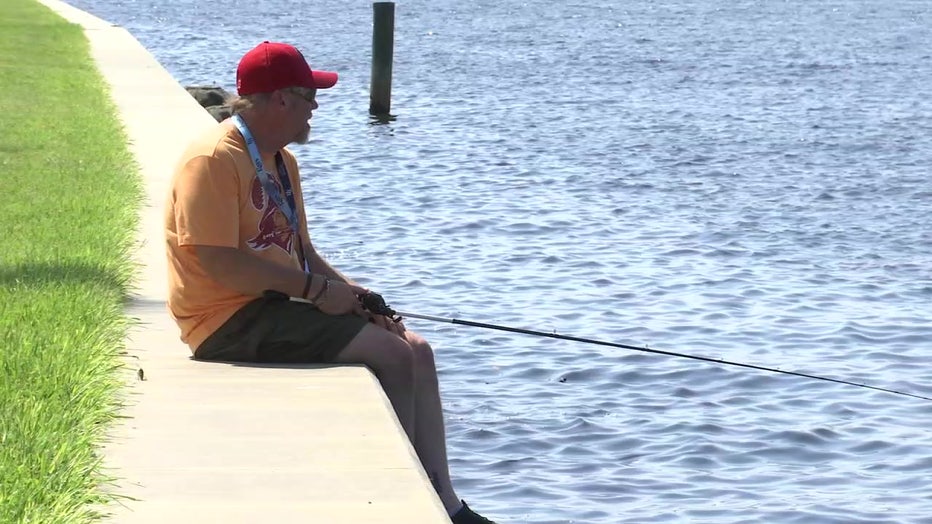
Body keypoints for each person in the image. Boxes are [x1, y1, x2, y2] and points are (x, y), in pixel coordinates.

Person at [163, 41, 496, 524]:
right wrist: (317, 293)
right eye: (309, 96)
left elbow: (304, 255)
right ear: (280, 99)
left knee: (415, 346)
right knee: (392, 357)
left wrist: (359, 296)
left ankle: (447, 505)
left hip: (272, 306)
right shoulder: (213, 158)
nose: (315, 108)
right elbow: (218, 262)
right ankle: (405, 504)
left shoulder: (281, 162)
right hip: (224, 320)